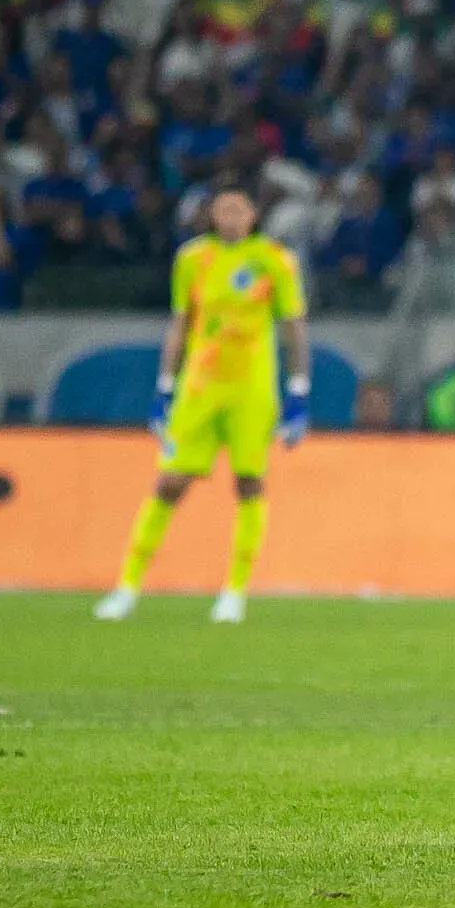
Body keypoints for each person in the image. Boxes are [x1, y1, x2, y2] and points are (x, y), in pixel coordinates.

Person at [93, 184, 310, 625]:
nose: (230, 215)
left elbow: (293, 325)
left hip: (251, 388)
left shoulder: (274, 260)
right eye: (223, 208)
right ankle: (127, 586)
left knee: (249, 482)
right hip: (200, 388)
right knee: (170, 482)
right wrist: (164, 386)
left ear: (254, 214)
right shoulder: (192, 259)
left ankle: (234, 593)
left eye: (239, 207)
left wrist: (299, 391)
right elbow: (180, 322)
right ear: (212, 214)